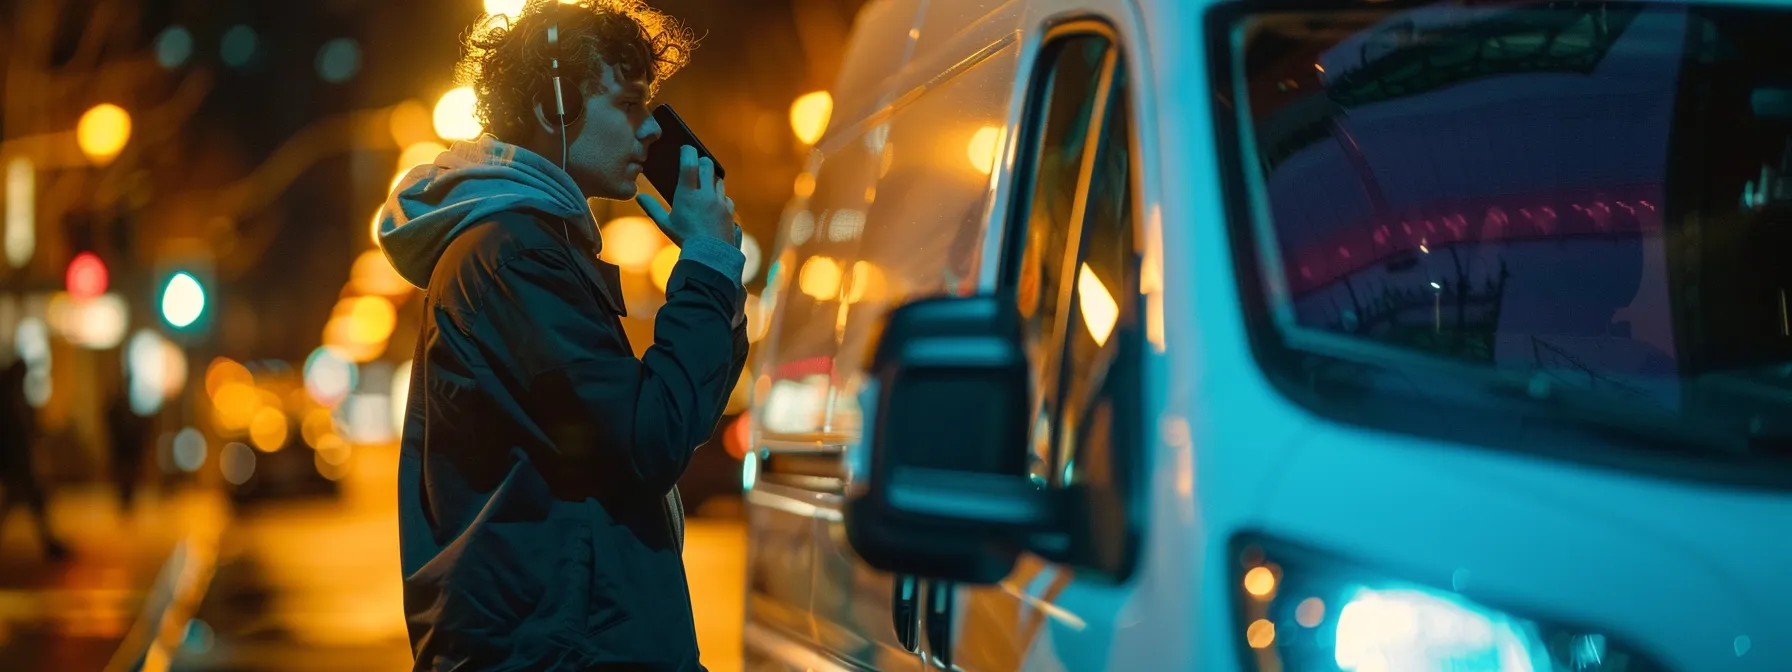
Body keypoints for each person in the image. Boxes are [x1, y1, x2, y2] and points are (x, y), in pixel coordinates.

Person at [377, 1, 744, 670]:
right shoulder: (514, 255)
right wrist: (708, 269)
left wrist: (713, 273)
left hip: (566, 636)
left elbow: (672, 414)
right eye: (630, 105)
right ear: (554, 108)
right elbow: (649, 439)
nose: (651, 133)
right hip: (561, 646)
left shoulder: (529, 246)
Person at [0, 358, 68, 561]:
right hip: (15, 463)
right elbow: (15, 436)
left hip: (15, 462)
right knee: (31, 502)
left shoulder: (12, 399)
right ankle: (50, 545)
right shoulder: (10, 402)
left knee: (25, 503)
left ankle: (50, 544)